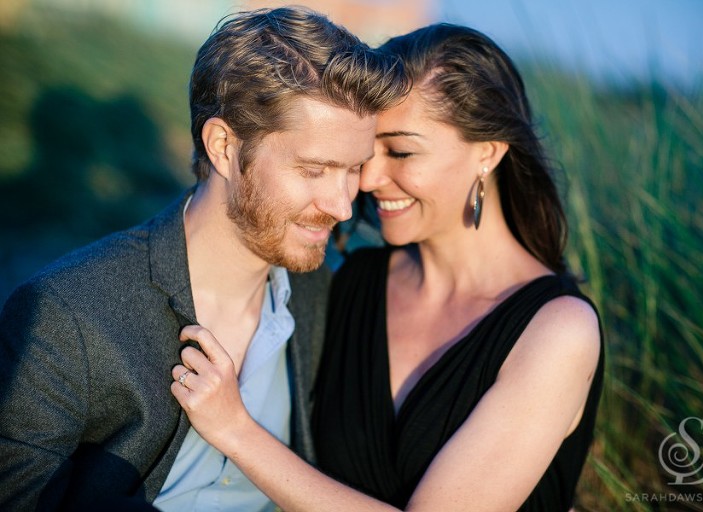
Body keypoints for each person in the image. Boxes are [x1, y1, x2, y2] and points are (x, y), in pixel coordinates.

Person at [170, 23, 604, 512]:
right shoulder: (354, 280)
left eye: (401, 151)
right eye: (367, 152)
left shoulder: (558, 331)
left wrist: (235, 430)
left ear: (487, 153)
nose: (370, 179)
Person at [0, 7, 407, 511]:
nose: (342, 205)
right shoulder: (66, 313)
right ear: (223, 146)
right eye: (314, 170)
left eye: (353, 169)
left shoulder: (321, 293)